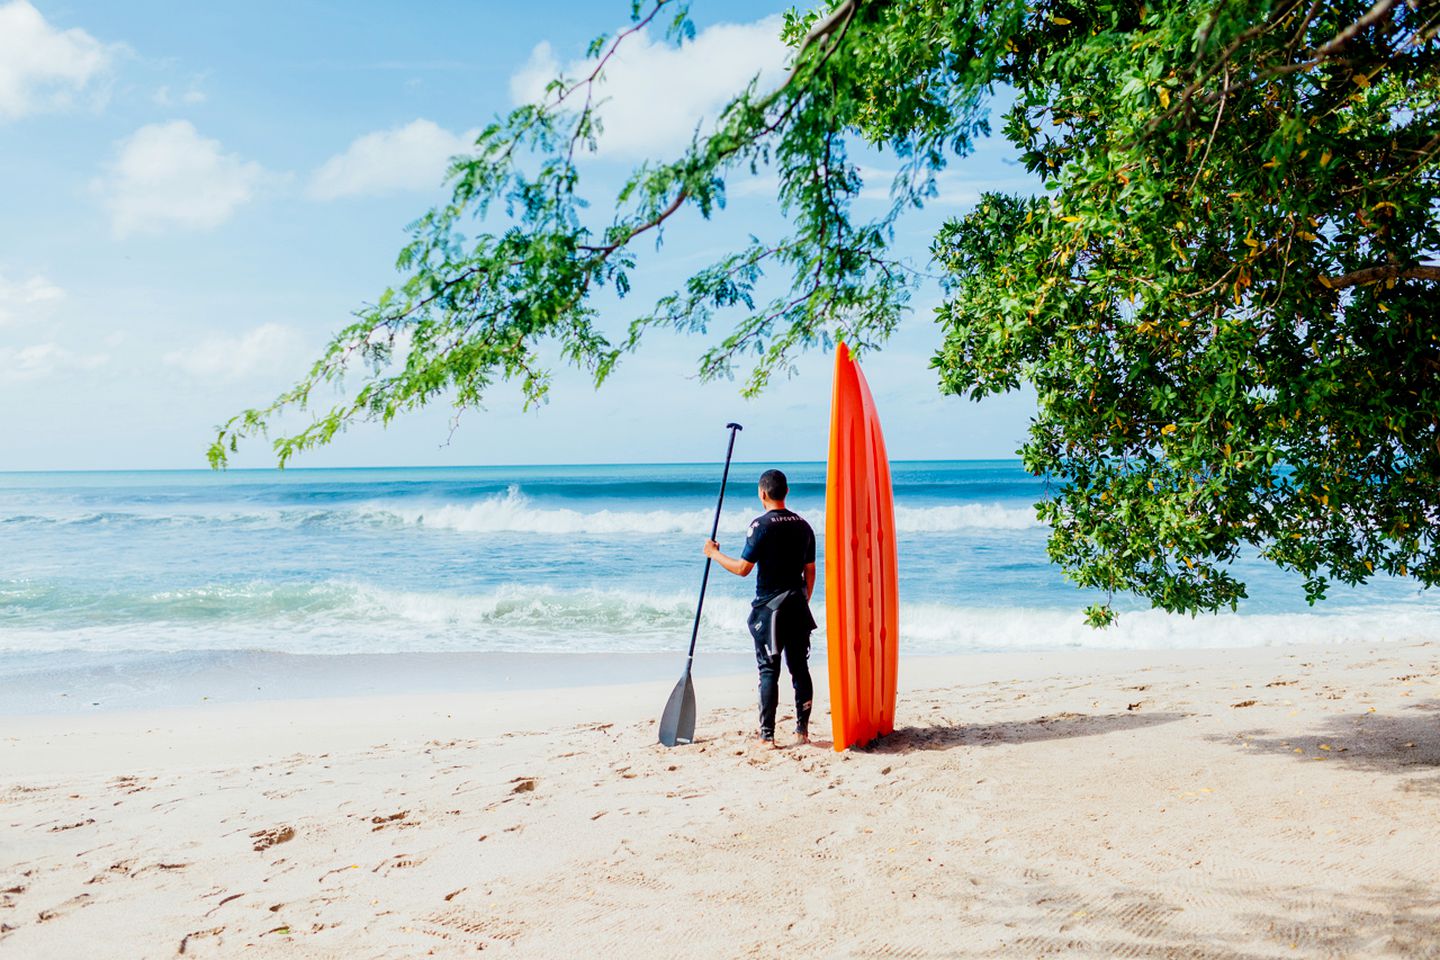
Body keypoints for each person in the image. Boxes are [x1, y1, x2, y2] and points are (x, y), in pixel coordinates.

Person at [703, 468, 817, 746]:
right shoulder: (804, 526)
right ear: (786, 491)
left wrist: (714, 553)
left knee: (768, 670)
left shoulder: (760, 526)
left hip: (769, 610)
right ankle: (802, 732)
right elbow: (810, 570)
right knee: (799, 668)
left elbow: (743, 569)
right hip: (797, 605)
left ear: (762, 494)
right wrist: (804, 599)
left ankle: (767, 737)